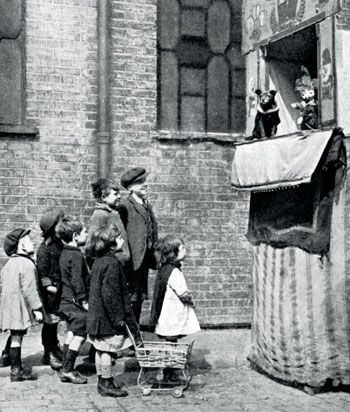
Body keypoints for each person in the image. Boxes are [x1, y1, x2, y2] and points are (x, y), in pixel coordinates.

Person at [86, 224, 142, 397]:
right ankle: (107, 382)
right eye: (118, 238)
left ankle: (103, 381)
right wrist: (118, 318)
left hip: (97, 315)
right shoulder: (112, 263)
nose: (122, 240)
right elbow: (110, 294)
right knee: (108, 349)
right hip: (107, 317)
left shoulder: (98, 262)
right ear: (110, 243)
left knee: (100, 348)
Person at [150, 235, 200, 382]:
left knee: (170, 342)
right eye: (182, 248)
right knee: (171, 343)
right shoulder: (174, 272)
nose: (185, 250)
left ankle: (169, 372)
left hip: (166, 314)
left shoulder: (165, 269)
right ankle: (169, 374)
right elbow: (183, 293)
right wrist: (191, 301)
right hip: (172, 315)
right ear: (174, 252)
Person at [0, 228, 43, 382]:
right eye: (29, 241)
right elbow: (30, 289)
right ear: (22, 246)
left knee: (15, 334)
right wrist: (37, 308)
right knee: (17, 338)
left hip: (8, 307)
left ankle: (6, 357)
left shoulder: (8, 264)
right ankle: (16, 371)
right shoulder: (27, 264)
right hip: (19, 307)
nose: (33, 243)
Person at [119, 167, 158, 324]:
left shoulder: (145, 204)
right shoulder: (125, 205)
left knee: (140, 296)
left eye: (145, 181)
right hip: (132, 261)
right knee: (131, 297)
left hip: (144, 260)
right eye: (140, 182)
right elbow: (121, 232)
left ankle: (135, 334)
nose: (145, 184)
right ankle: (129, 336)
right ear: (129, 188)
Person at [56, 216, 90, 384]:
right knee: (81, 330)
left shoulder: (65, 252)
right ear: (76, 236)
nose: (87, 234)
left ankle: (64, 368)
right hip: (73, 301)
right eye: (84, 232)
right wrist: (84, 301)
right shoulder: (75, 256)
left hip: (66, 301)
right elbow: (77, 280)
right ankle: (68, 369)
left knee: (72, 332)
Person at [36, 209, 65, 370]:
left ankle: (54, 347)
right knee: (49, 324)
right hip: (50, 295)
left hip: (59, 292)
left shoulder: (61, 246)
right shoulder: (44, 250)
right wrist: (51, 287)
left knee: (55, 323)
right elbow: (43, 274)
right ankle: (48, 352)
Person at [88, 179, 130, 265]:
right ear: (104, 197)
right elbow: (91, 245)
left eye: (119, 193)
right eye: (115, 194)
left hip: (119, 263)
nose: (119, 196)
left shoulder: (112, 213)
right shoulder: (100, 215)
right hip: (111, 264)